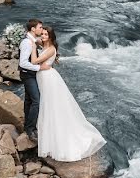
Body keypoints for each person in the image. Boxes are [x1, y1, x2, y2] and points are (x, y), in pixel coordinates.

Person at [29, 26, 106, 161]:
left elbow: (34, 61)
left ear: (51, 37)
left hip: (48, 79)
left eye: (46, 35)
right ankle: (48, 136)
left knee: (51, 107)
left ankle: (57, 140)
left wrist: (33, 48)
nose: (43, 36)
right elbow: (35, 39)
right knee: (46, 106)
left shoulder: (51, 49)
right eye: (43, 34)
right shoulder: (45, 44)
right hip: (43, 77)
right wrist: (31, 38)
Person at [18, 19, 51, 141]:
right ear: (33, 29)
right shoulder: (27, 43)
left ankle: (27, 125)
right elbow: (23, 63)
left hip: (29, 74)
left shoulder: (33, 40)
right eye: (40, 27)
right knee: (36, 101)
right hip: (28, 74)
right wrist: (39, 67)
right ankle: (31, 129)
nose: (41, 30)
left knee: (28, 100)